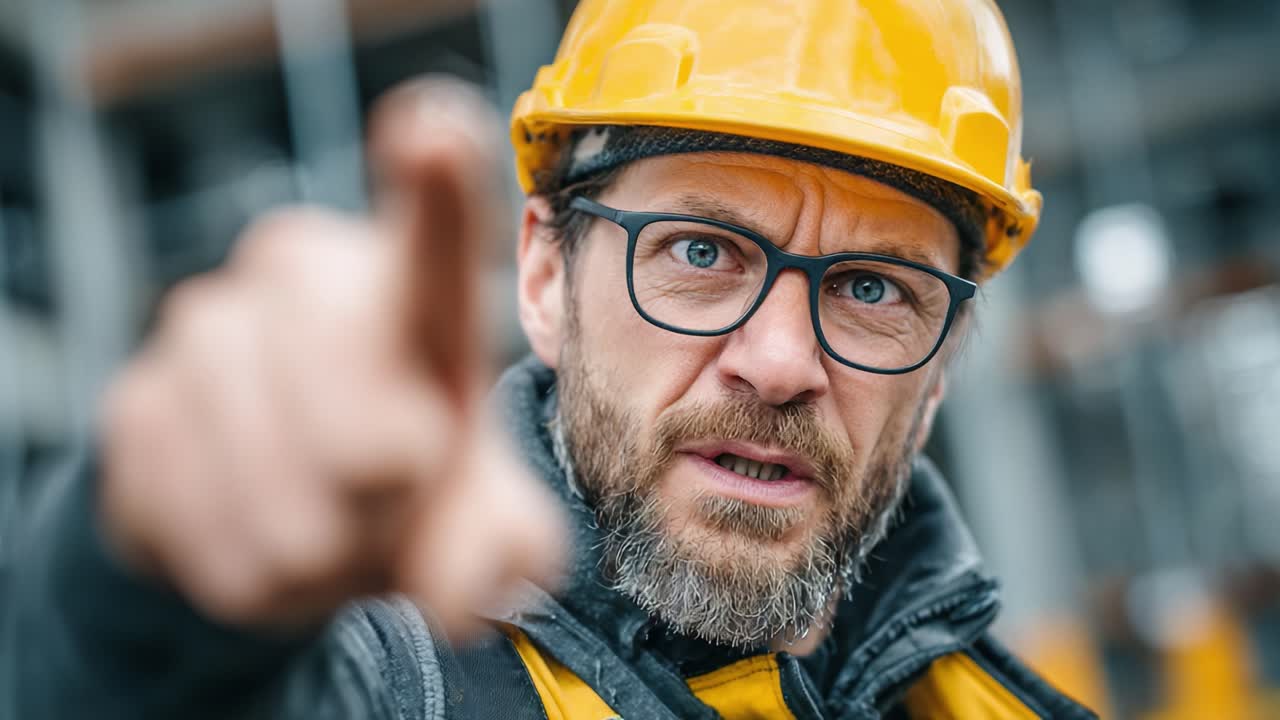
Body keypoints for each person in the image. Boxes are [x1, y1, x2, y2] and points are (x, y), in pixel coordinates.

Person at [11, 0, 1098, 717]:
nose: (776, 362)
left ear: (943, 357)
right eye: (701, 252)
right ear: (542, 277)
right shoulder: (392, 681)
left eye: (871, 290)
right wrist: (143, 594)